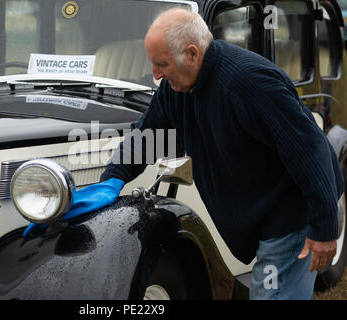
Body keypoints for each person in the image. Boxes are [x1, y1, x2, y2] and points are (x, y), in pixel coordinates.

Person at [97, 8, 344, 299]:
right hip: (260, 214)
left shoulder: (250, 82)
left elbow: (309, 149)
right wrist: (111, 180)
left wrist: (325, 227)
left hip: (289, 213)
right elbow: (147, 136)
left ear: (191, 54)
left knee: (272, 295)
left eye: (161, 64)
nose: (155, 74)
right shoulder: (174, 89)